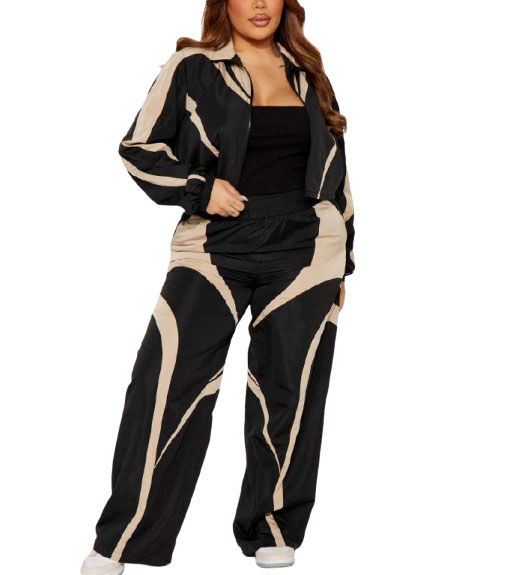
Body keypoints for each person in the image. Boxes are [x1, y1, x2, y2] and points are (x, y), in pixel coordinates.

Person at [81, 0, 355, 572]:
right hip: (213, 245)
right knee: (165, 385)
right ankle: (125, 537)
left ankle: (272, 527)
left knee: (291, 390)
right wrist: (201, 189)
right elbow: (139, 148)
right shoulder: (192, 68)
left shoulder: (309, 72)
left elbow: (338, 173)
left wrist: (346, 261)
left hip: (307, 248)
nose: (259, 4)